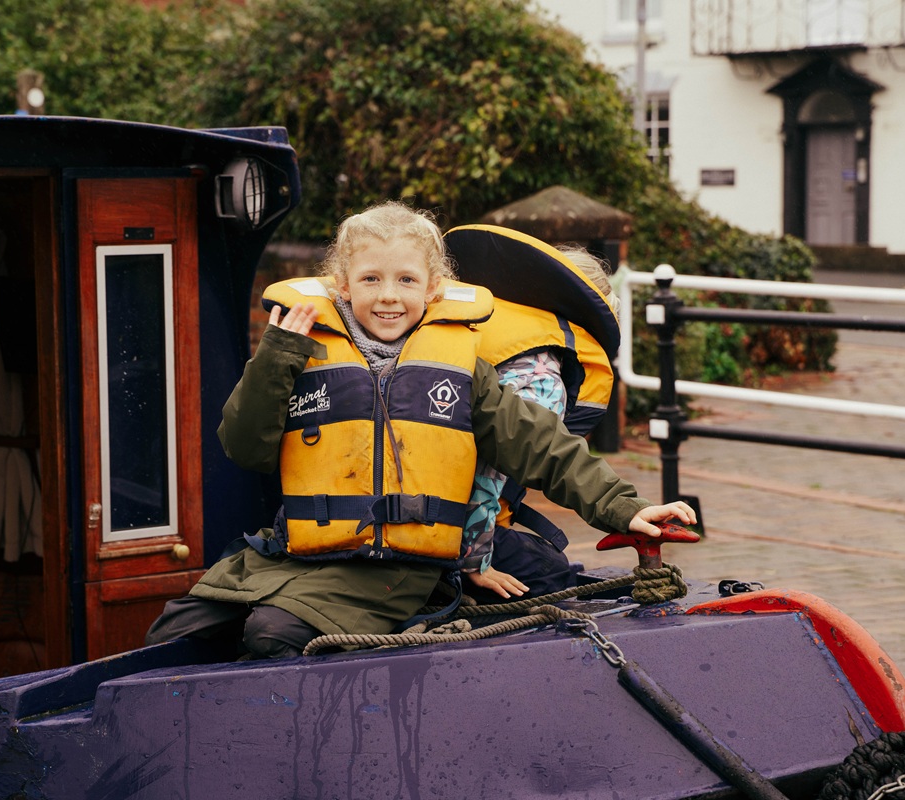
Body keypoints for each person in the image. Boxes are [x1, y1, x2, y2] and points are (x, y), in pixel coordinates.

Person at [145, 201, 694, 659]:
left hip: (394, 569)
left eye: (406, 279)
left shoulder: (459, 365)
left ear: (433, 288)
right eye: (372, 279)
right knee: (176, 630)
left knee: (272, 634)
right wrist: (275, 359)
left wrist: (626, 509)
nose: (389, 295)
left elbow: (544, 448)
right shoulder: (301, 352)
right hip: (290, 554)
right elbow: (243, 446)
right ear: (341, 283)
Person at [447, 230, 622, 603]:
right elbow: (486, 476)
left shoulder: (480, 325)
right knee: (551, 574)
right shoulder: (541, 376)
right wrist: (475, 563)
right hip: (440, 531)